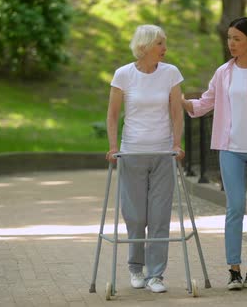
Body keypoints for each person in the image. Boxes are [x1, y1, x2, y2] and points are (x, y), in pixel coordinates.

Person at [182, 17, 247, 290]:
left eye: (237, 39)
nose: (231, 44)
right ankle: (234, 269)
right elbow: (206, 102)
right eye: (229, 38)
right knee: (235, 207)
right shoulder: (223, 72)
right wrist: (181, 102)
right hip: (230, 150)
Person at [106, 24, 184, 293]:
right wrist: (113, 146)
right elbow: (113, 115)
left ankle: (156, 275)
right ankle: (135, 269)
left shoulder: (171, 73)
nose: (165, 48)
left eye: (164, 43)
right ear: (145, 46)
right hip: (132, 153)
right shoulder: (123, 75)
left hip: (163, 154)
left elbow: (176, 113)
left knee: (160, 216)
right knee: (136, 216)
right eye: (160, 43)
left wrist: (176, 143)